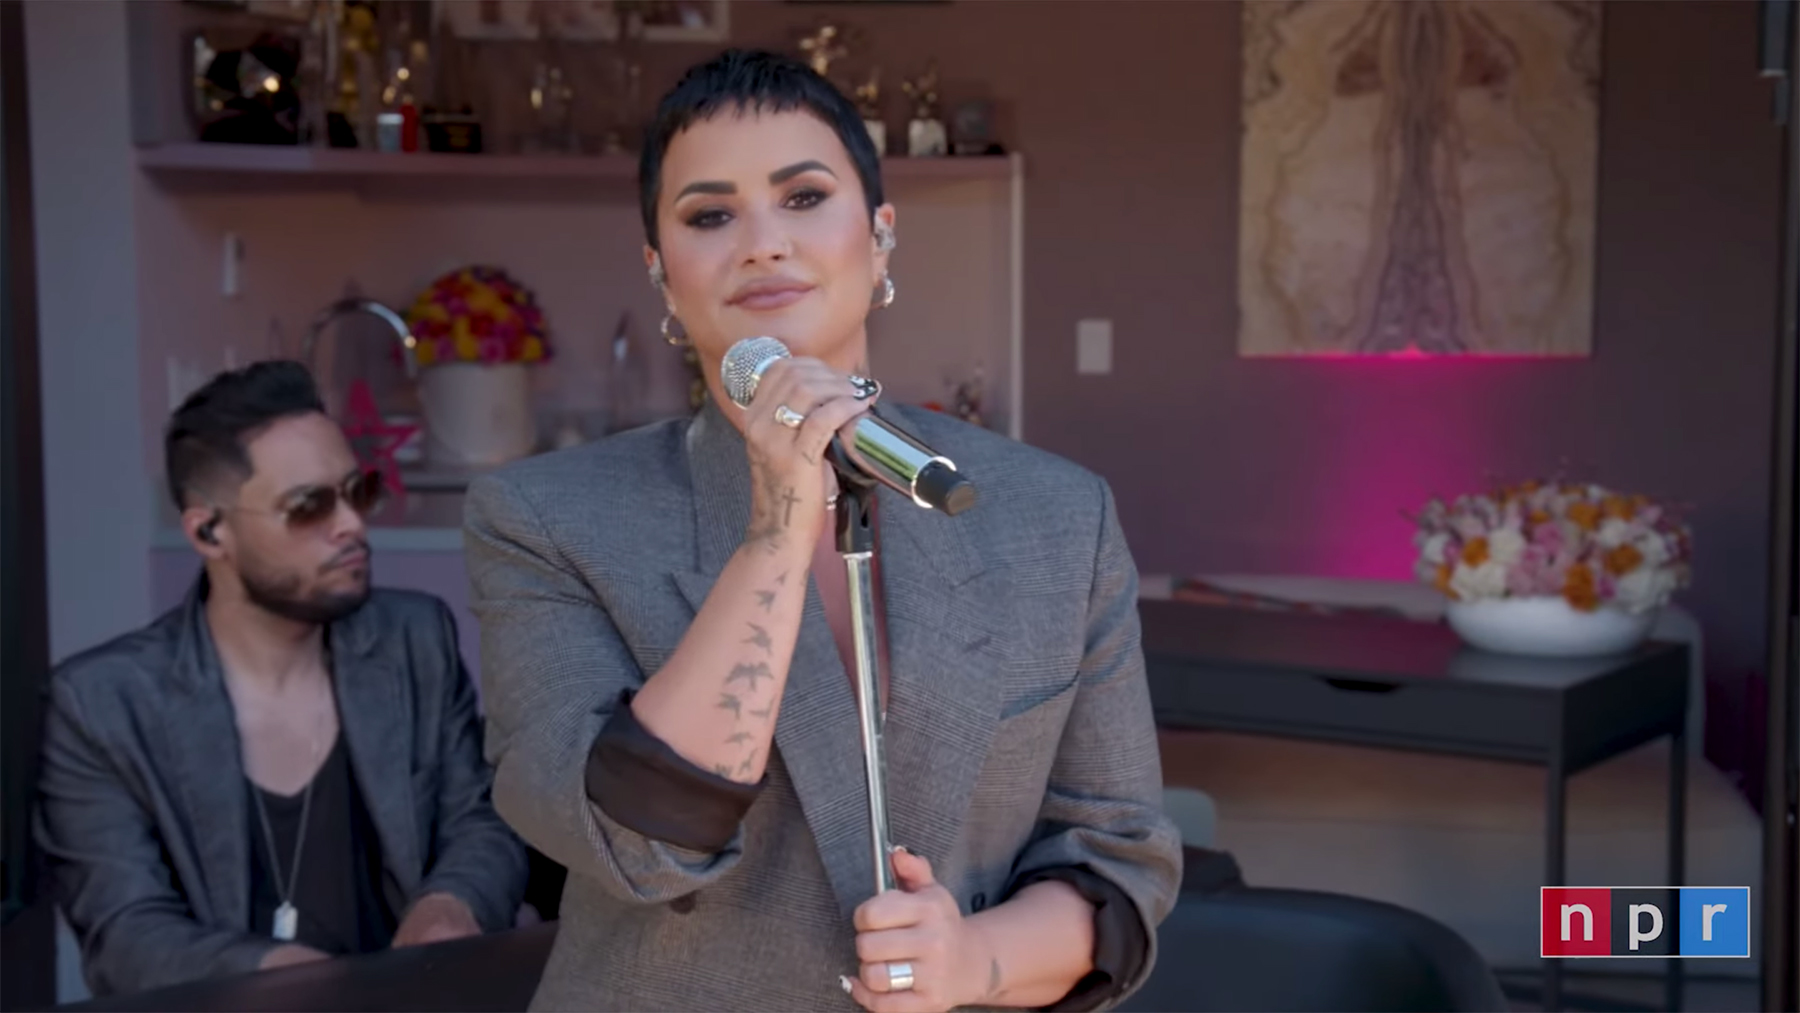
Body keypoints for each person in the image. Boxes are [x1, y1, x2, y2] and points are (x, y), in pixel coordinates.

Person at [464, 50, 1180, 1012]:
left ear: (880, 238)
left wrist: (973, 957)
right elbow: (638, 842)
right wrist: (775, 524)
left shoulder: (1059, 515)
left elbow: (1118, 862)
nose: (764, 244)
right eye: (710, 216)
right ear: (662, 275)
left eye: (803, 197)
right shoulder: (543, 520)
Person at [35, 361, 528, 997]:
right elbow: (125, 936)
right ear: (209, 532)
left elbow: (481, 821)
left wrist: (450, 907)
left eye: (358, 491)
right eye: (308, 506)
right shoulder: (102, 704)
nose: (351, 524)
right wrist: (309, 984)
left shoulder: (414, 640)